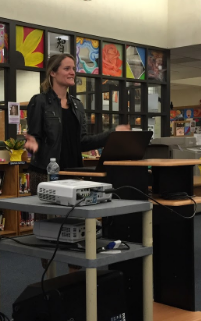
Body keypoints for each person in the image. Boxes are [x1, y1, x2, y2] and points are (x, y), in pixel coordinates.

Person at [24, 53, 129, 273]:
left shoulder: (77, 106)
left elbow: (82, 142)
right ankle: (50, 278)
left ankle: (74, 275)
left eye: (74, 68)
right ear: (53, 72)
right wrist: (31, 142)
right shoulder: (40, 101)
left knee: (76, 226)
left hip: (73, 174)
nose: (73, 72)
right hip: (46, 173)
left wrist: (112, 134)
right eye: (67, 68)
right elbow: (34, 136)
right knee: (48, 229)